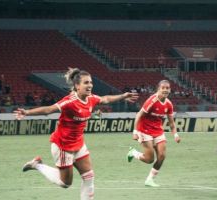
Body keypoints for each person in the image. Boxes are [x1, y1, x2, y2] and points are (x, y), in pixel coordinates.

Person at [14, 68, 138, 200]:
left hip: (78, 144)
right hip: (63, 146)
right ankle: (37, 165)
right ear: (77, 86)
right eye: (86, 83)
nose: (90, 85)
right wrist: (27, 112)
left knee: (89, 177)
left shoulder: (91, 99)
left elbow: (105, 99)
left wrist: (123, 96)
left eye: (90, 82)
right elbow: (49, 110)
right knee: (65, 183)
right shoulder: (70, 101)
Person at [126, 80, 180, 187]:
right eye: (163, 88)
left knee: (162, 155)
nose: (165, 90)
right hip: (144, 130)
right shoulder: (152, 100)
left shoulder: (169, 104)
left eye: (167, 88)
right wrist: (135, 131)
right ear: (158, 89)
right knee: (149, 159)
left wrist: (175, 134)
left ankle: (149, 180)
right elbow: (139, 115)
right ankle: (133, 153)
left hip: (158, 131)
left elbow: (171, 122)